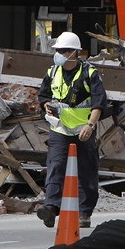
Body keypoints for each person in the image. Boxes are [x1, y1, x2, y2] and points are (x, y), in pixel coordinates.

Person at [37, 31, 107, 228]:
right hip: (59, 130)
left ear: (74, 53)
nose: (58, 53)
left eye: (63, 50)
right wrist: (46, 107)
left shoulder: (89, 74)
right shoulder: (52, 73)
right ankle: (51, 208)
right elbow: (43, 97)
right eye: (57, 50)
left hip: (83, 131)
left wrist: (90, 125)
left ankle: (84, 213)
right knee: (55, 166)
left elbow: (99, 103)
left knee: (87, 171)